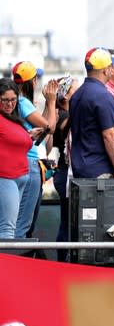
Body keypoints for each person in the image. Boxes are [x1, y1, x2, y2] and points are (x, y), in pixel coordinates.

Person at [11, 61, 57, 238]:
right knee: (23, 224)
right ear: (31, 81)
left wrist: (47, 106)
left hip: (27, 163)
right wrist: (52, 102)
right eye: (35, 78)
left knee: (22, 221)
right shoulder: (22, 102)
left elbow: (42, 133)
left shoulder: (18, 102)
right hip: (30, 165)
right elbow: (50, 127)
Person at [69, 48, 114, 180]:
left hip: (81, 167)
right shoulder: (103, 95)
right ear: (106, 70)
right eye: (111, 66)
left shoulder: (77, 95)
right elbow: (109, 135)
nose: (112, 69)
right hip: (100, 170)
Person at [0, 78, 33, 239]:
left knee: (10, 229)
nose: (9, 104)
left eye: (13, 100)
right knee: (7, 229)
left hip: (20, 178)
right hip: (5, 178)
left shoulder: (13, 119)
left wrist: (29, 136)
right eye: (5, 100)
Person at [52, 76, 78, 260]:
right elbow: (62, 129)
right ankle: (62, 260)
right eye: (76, 90)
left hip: (64, 173)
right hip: (64, 173)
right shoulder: (63, 115)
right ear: (66, 95)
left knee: (68, 221)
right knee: (68, 222)